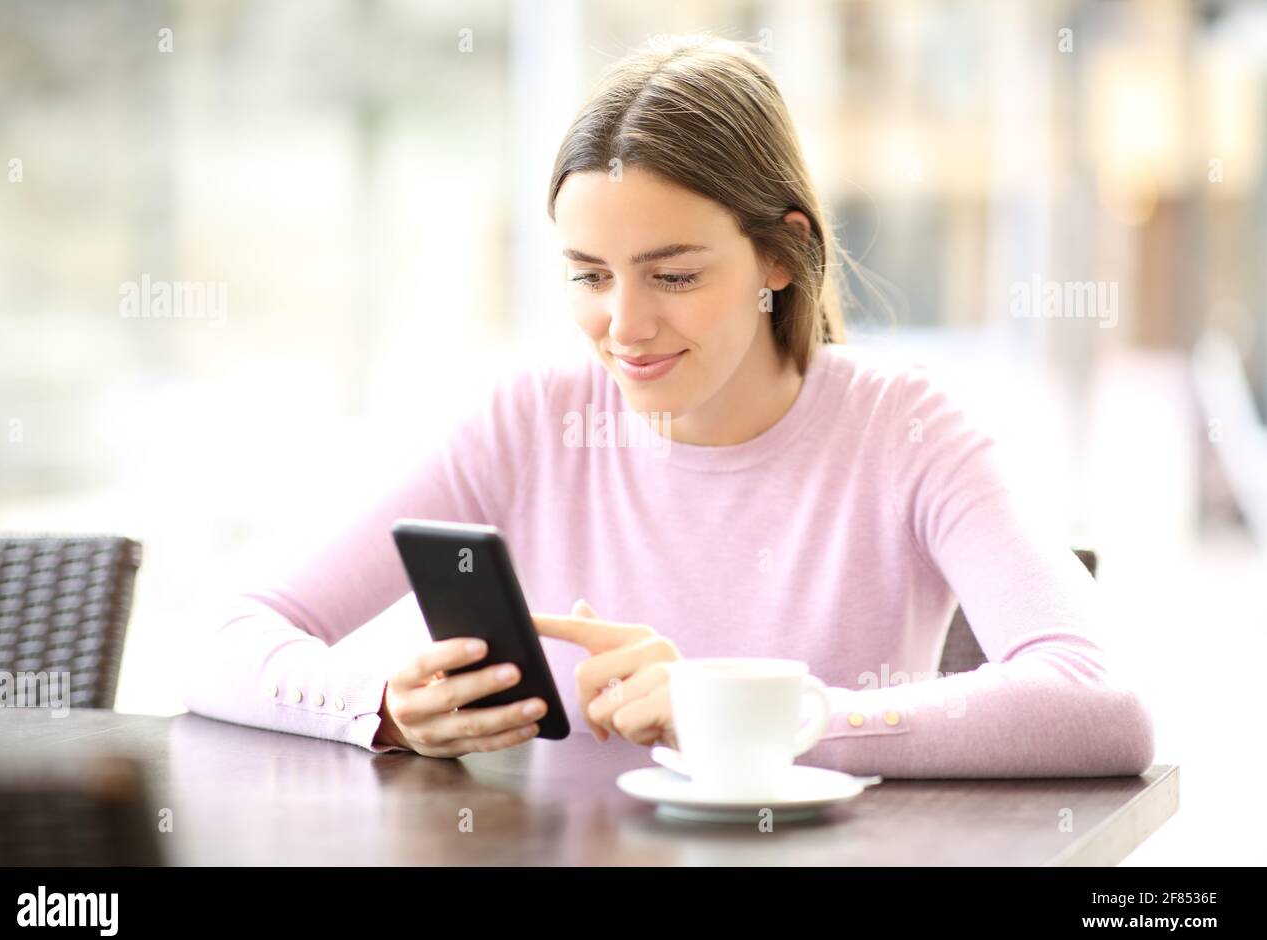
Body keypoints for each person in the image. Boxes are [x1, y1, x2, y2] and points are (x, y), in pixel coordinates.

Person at [180, 34, 1155, 778]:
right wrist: (379, 703)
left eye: (674, 274)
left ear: (780, 254)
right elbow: (226, 635)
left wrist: (766, 713)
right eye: (588, 274)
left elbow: (1098, 701)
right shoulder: (526, 421)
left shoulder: (904, 427)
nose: (624, 325)